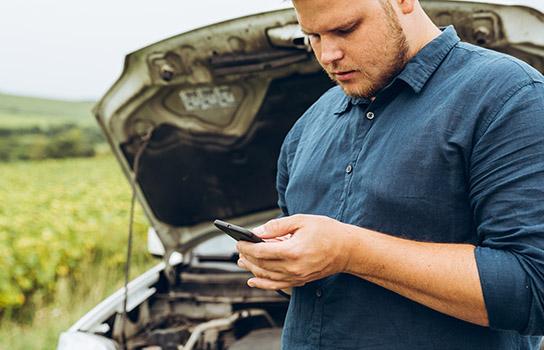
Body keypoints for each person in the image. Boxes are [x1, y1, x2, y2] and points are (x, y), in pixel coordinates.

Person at [236, 0, 544, 349]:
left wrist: (350, 251)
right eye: (313, 36)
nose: (328, 55)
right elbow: (303, 280)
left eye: (346, 29)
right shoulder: (309, 124)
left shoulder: (510, 97)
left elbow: (534, 287)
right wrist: (278, 264)